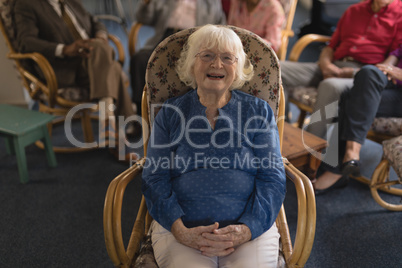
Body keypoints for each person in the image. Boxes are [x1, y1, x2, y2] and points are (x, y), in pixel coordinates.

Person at [141, 24, 286, 267]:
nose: (217, 65)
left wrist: (247, 229)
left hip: (248, 230)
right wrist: (180, 230)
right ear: (191, 64)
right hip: (181, 230)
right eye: (207, 55)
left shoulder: (258, 111)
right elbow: (154, 176)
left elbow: (272, 176)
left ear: (237, 68)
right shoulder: (170, 113)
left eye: (227, 58)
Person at [13, 0, 137, 153]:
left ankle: (110, 125)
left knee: (101, 51)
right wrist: (64, 49)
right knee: (113, 66)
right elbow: (26, 42)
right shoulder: (26, 5)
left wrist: (100, 35)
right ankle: (120, 122)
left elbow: (95, 21)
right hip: (62, 68)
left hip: (91, 61)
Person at [281, 0, 402, 139]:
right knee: (277, 68)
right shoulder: (354, 10)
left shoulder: (400, 15)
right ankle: (281, 132)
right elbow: (330, 46)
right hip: (332, 64)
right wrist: (326, 65)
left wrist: (351, 73)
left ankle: (309, 150)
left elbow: (391, 62)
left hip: (362, 75)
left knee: (330, 85)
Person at [314, 44, 402, 194]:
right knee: (369, 72)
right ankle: (350, 155)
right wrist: (385, 69)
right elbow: (394, 56)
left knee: (351, 98)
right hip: (392, 87)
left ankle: (338, 168)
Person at [129, 0, 226, 118]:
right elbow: (143, 18)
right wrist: (146, 4)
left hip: (194, 40)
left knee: (195, 65)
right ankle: (141, 115)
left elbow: (220, 25)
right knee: (139, 59)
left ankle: (190, 114)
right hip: (165, 37)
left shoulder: (211, 2)